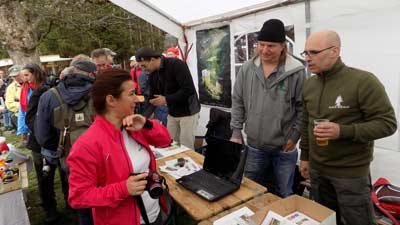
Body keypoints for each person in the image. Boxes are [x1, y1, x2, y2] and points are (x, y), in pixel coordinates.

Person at [299, 30, 397, 225]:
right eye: (305, 53)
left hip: (350, 175)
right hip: (318, 172)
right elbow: (305, 122)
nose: (308, 59)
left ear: (334, 51)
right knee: (326, 219)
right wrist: (305, 156)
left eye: (313, 52)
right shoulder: (310, 84)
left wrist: (342, 131)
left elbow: (387, 124)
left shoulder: (363, 81)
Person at [67, 68, 171, 225]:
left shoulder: (132, 126)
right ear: (111, 100)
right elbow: (78, 197)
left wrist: (147, 124)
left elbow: (165, 141)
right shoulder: (87, 145)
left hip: (153, 214)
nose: (137, 99)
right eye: (131, 94)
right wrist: (123, 189)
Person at [230, 19, 306, 197]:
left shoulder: (296, 72)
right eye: (261, 44)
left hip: (284, 148)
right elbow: (238, 100)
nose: (264, 50)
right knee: (250, 190)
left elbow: (303, 108)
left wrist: (295, 136)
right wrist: (235, 131)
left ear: (282, 46)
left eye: (271, 46)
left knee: (285, 192)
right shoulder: (247, 69)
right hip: (255, 146)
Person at [35, 57, 97, 225]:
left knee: (83, 201)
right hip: (103, 158)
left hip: (70, 160)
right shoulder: (100, 92)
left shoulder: (49, 96)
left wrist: (62, 148)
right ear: (92, 73)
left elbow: (43, 137)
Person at [136, 47, 200, 149]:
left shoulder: (176, 64)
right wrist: (143, 118)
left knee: (186, 146)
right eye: (141, 67)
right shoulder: (153, 74)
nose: (143, 70)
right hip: (172, 112)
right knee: (170, 143)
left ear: (152, 59)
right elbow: (152, 99)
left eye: (144, 66)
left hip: (188, 112)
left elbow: (188, 90)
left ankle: (189, 165)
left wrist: (166, 99)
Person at [23, 64, 60, 223]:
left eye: (26, 75)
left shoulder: (45, 90)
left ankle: (67, 203)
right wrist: (40, 133)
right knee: (44, 176)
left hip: (54, 140)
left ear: (35, 74)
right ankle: (49, 208)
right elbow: (28, 117)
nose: (24, 79)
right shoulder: (30, 91)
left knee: (59, 174)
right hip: (40, 142)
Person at [5, 65, 23, 131]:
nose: (16, 77)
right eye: (14, 76)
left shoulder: (30, 83)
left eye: (18, 75)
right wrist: (23, 105)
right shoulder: (11, 88)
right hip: (19, 115)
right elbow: (9, 104)